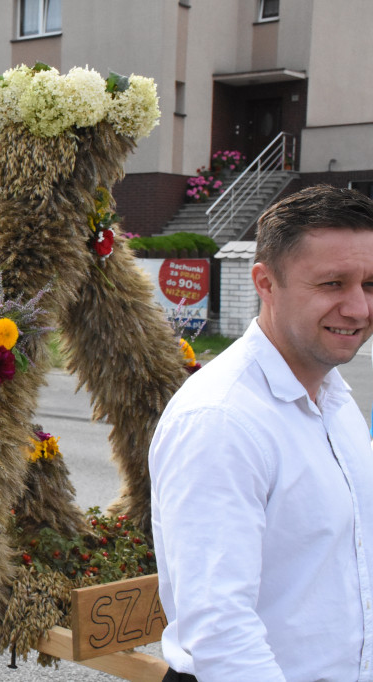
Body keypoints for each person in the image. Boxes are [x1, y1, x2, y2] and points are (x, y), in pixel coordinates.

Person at [150, 185, 373, 681]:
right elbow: (222, 635)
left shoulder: (334, 398)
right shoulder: (222, 420)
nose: (358, 308)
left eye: (371, 284)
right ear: (265, 283)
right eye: (333, 284)